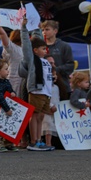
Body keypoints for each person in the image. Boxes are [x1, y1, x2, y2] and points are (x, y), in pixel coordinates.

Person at [18, 22, 55, 152]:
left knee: (40, 116)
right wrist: (23, 28)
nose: (45, 51)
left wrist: (37, 28)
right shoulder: (32, 59)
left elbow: (37, 39)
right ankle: (33, 141)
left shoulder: (45, 61)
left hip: (46, 92)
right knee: (34, 115)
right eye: (43, 49)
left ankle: (39, 140)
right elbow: (27, 45)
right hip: (37, 90)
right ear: (35, 50)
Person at [41, 20, 74, 100]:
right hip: (44, 87)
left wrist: (55, 69)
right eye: (43, 30)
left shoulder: (64, 46)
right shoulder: (39, 47)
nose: (44, 32)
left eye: (47, 29)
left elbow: (70, 65)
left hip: (62, 85)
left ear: (55, 31)